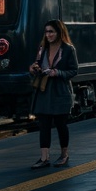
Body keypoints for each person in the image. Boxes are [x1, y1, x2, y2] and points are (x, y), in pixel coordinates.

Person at [29, 19, 78, 168]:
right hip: (44, 90)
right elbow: (37, 64)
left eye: (51, 31)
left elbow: (73, 70)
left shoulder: (68, 49)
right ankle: (44, 158)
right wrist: (33, 69)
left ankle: (64, 154)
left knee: (61, 124)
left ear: (59, 32)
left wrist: (57, 72)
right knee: (43, 124)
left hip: (60, 91)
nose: (48, 35)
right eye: (46, 32)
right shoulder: (42, 48)